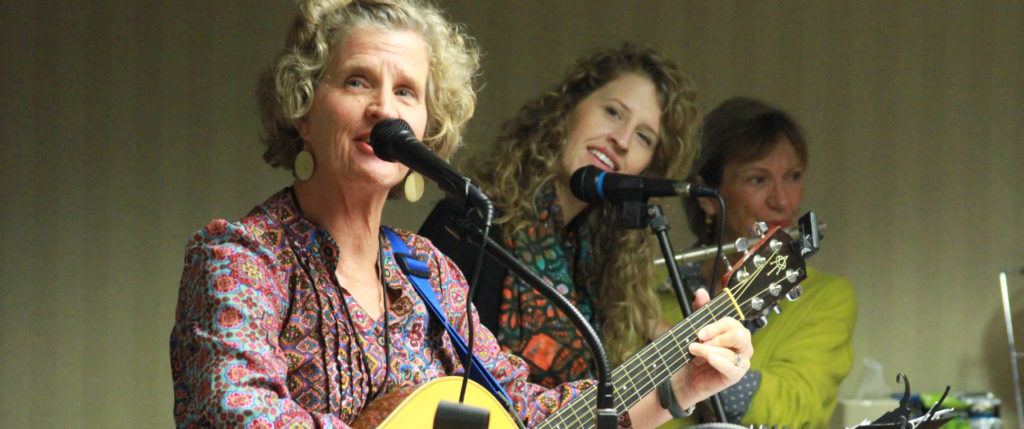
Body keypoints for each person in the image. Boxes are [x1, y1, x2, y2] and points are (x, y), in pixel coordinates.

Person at [168, 1, 752, 427]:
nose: (383, 109)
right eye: (356, 82)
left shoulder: (426, 272)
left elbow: (527, 413)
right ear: (303, 108)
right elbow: (234, 412)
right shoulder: (242, 257)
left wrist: (679, 382)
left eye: (406, 93)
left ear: (426, 127)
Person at [421, 43, 752, 419]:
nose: (622, 140)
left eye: (644, 137)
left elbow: (595, 420)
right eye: (613, 112)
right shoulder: (468, 222)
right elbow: (419, 386)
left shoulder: (601, 270)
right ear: (568, 109)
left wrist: (685, 386)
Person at [658, 96, 858, 428]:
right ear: (708, 198)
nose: (782, 201)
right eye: (758, 180)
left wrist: (705, 367)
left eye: (793, 176)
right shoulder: (647, 294)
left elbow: (798, 407)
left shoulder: (828, 296)